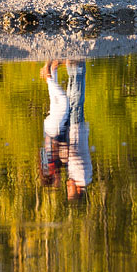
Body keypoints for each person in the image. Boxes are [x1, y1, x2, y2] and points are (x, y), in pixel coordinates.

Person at [38, 59, 92, 201]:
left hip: (56, 132)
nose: (65, 184)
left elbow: (48, 151)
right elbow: (44, 151)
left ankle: (53, 71)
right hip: (54, 131)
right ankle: (54, 71)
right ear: (78, 190)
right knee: (64, 102)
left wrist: (60, 150)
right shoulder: (76, 175)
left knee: (66, 102)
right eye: (69, 189)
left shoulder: (51, 169)